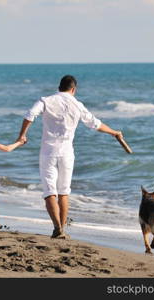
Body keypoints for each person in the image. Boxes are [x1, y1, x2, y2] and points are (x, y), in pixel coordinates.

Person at [17, 75, 123, 239]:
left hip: (48, 151)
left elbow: (30, 115)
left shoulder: (46, 100)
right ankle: (62, 230)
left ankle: (57, 228)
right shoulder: (77, 105)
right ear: (73, 89)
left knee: (49, 191)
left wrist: (22, 135)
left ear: (59, 87)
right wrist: (114, 132)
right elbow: (96, 124)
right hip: (67, 153)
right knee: (64, 192)